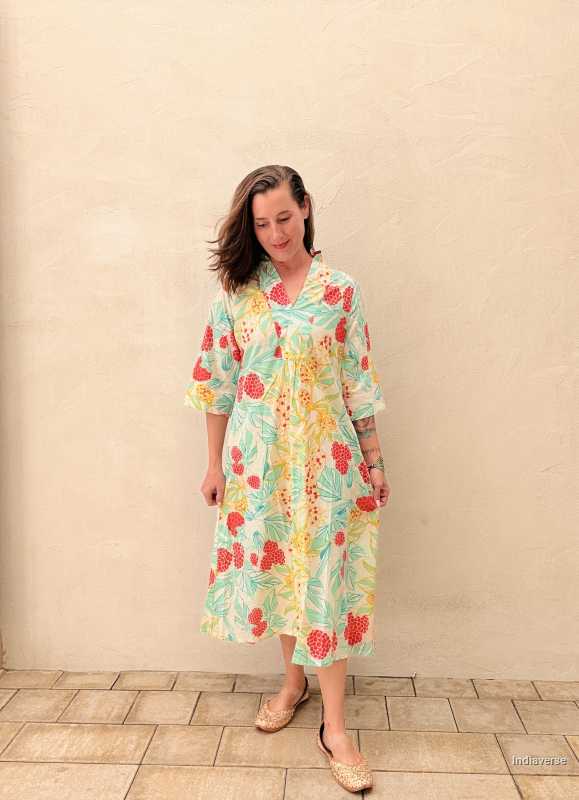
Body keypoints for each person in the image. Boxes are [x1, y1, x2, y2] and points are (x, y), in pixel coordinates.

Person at [184, 165, 391, 792]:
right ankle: (292, 683)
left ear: (305, 209)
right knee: (279, 571)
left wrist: (375, 460)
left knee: (326, 583)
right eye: (262, 222)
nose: (275, 232)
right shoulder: (237, 294)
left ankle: (336, 726)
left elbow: (358, 383)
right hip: (260, 464)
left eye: (284, 216)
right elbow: (216, 383)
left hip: (328, 464)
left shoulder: (341, 292)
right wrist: (215, 463)